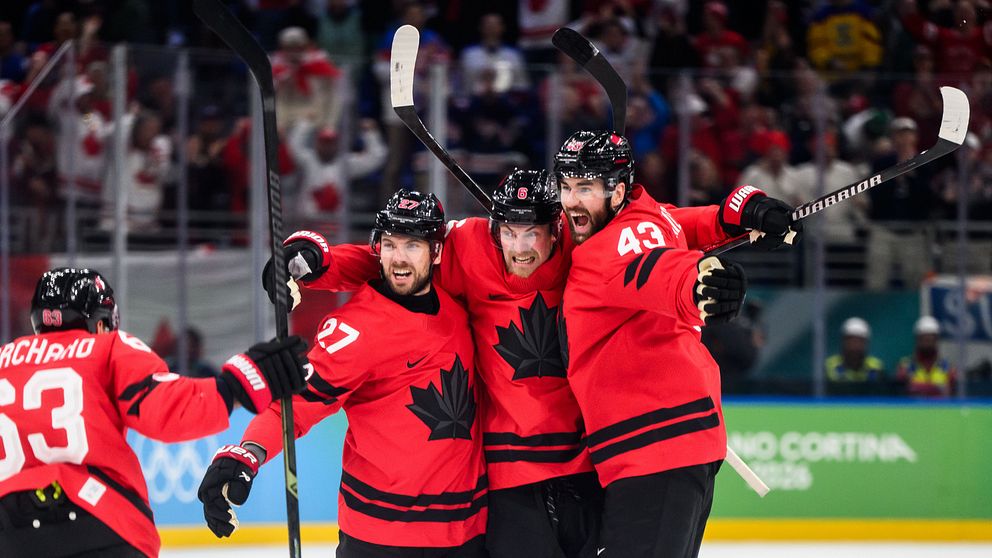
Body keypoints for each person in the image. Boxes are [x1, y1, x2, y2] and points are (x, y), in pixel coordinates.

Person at [267, 171, 603, 558]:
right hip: (507, 476)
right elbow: (397, 261)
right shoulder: (470, 245)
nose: (520, 246)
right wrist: (318, 262)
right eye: (510, 232)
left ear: (556, 229)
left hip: (584, 464)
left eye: (532, 232)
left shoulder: (587, 248)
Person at [199, 191, 488, 556]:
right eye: (390, 244)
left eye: (413, 245)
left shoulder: (457, 297)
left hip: (466, 532)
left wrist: (321, 256)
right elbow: (294, 406)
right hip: (382, 539)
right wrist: (247, 454)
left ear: (437, 253)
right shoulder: (356, 331)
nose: (399, 258)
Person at [554, 129, 800, 558]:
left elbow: (656, 270)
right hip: (673, 443)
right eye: (567, 186)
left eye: (585, 188)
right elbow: (678, 227)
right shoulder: (647, 215)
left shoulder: (605, 249)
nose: (572, 201)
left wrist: (698, 284)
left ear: (617, 192)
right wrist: (739, 213)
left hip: (653, 449)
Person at [0, 268, 308, 558]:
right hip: (99, 521)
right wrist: (240, 384)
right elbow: (169, 407)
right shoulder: (108, 347)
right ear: (101, 322)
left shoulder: (3, 359)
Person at [895, 316, 957, 398]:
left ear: (936, 340)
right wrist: (937, 388)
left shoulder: (948, 368)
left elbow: (953, 393)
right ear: (917, 339)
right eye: (924, 338)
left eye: (930, 338)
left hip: (941, 406)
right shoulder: (905, 366)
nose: (927, 342)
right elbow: (900, 391)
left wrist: (916, 387)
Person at [825, 317, 886, 394]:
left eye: (859, 341)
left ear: (866, 344)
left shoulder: (876, 367)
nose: (854, 346)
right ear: (843, 342)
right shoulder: (830, 365)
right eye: (850, 340)